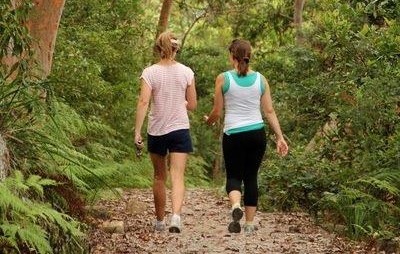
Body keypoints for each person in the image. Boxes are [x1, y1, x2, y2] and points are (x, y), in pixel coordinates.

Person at [205, 39, 288, 234]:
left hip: (233, 134)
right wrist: (280, 137)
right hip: (256, 134)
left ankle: (235, 206)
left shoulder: (223, 79)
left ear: (232, 57)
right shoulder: (261, 79)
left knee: (234, 175)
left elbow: (217, 111)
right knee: (251, 177)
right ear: (248, 56)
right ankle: (250, 224)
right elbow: (269, 111)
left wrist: (208, 120)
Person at [134, 31, 197, 233]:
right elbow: (193, 104)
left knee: (159, 176)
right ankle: (176, 217)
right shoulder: (187, 72)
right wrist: (182, 102)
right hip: (179, 128)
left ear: (158, 48)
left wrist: (137, 131)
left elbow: (144, 101)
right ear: (176, 48)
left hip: (157, 130)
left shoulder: (149, 72)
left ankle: (160, 221)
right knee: (177, 175)